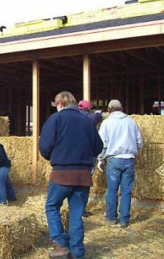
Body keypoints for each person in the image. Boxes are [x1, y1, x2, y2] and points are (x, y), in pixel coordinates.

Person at [39, 91, 103, 259]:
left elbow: (45, 146)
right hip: (83, 175)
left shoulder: (55, 119)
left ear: (60, 104)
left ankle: (60, 245)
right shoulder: (88, 121)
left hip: (62, 173)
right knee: (76, 214)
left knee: (52, 207)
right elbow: (98, 147)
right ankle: (77, 251)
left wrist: (54, 157)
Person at [97, 99, 143, 229]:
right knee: (126, 191)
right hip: (129, 159)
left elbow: (102, 144)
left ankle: (111, 217)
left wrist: (100, 159)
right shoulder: (131, 122)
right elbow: (139, 142)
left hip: (113, 160)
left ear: (109, 109)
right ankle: (124, 220)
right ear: (121, 108)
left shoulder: (106, 123)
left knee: (112, 190)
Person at [78, 99, 103, 217]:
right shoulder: (91, 118)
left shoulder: (73, 118)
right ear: (88, 109)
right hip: (88, 156)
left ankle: (74, 209)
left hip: (74, 157)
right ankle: (81, 209)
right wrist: (99, 112)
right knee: (85, 184)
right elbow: (99, 116)